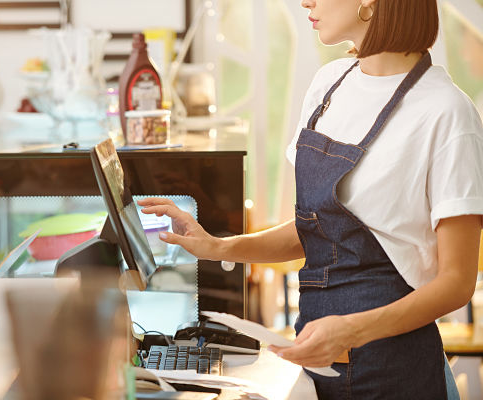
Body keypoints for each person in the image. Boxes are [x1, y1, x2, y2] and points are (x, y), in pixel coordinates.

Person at [138, 0, 483, 398]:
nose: (307, 1)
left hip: (394, 374)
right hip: (316, 366)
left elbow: (457, 282)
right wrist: (217, 246)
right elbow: (318, 228)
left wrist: (353, 329)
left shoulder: (447, 112)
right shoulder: (329, 84)